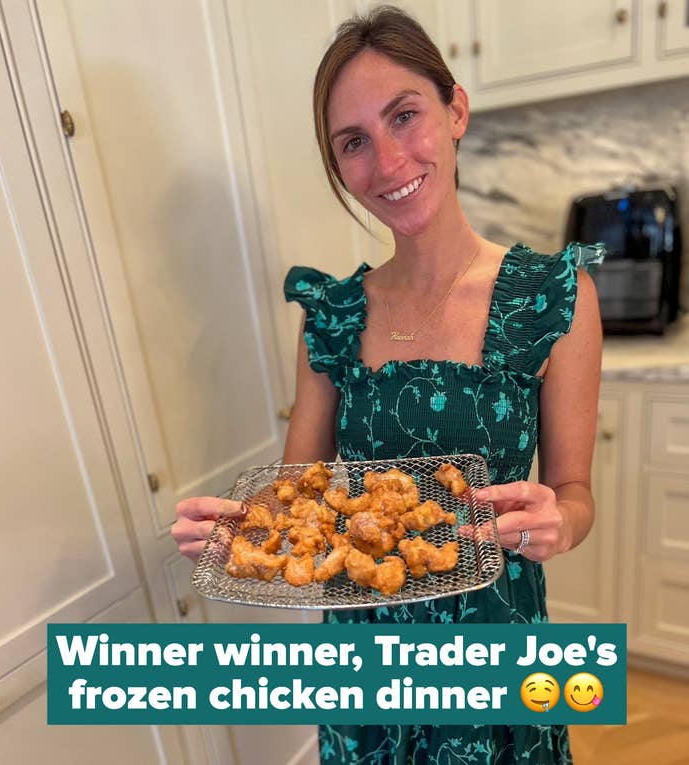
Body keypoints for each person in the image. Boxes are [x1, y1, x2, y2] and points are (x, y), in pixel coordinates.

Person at [173, 6, 604, 763]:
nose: (389, 160)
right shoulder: (333, 315)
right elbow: (297, 491)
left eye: (405, 115)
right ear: (338, 165)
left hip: (493, 642)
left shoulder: (553, 298)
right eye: (354, 142)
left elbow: (574, 491)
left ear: (456, 110)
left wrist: (560, 522)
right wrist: (249, 533)